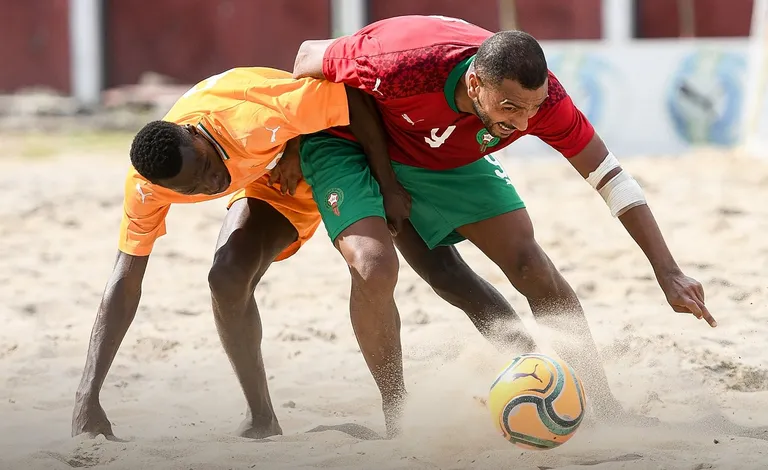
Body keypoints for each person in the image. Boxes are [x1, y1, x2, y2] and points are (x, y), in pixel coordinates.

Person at [292, 15, 717, 435]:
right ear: (475, 83)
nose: (523, 125)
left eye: (532, 109)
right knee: (379, 267)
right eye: (511, 108)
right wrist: (377, 177)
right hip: (346, 139)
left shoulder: (541, 103)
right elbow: (306, 56)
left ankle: (598, 404)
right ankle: (397, 416)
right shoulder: (403, 61)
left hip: (438, 147)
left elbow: (611, 178)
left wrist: (668, 270)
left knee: (527, 263)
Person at [71, 65, 528, 441]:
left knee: (439, 270)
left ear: (197, 134)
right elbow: (124, 281)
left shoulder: (252, 110)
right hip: (276, 184)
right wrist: (87, 397)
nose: (211, 185)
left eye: (208, 169)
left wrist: (368, 176)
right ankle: (261, 417)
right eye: (193, 189)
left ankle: (533, 362)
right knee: (225, 277)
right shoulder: (146, 188)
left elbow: (350, 101)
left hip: (344, 148)